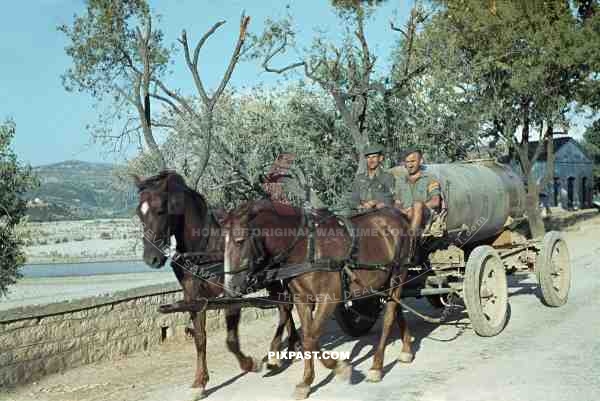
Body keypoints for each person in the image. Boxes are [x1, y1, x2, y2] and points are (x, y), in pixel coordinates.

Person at [394, 148, 442, 236]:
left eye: (413, 161)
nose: (410, 165)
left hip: (425, 216)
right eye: (407, 162)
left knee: (417, 205)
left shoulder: (430, 178)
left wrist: (415, 209)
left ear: (420, 161)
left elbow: (436, 201)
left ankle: (412, 239)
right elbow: (397, 202)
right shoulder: (400, 181)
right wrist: (402, 210)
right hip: (406, 215)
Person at [349, 144, 394, 210]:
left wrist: (375, 202)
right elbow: (353, 199)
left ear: (380, 158)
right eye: (368, 157)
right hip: (361, 213)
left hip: (380, 213)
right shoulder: (359, 178)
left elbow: (391, 197)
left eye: (374, 157)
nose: (371, 160)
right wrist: (359, 206)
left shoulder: (387, 177)